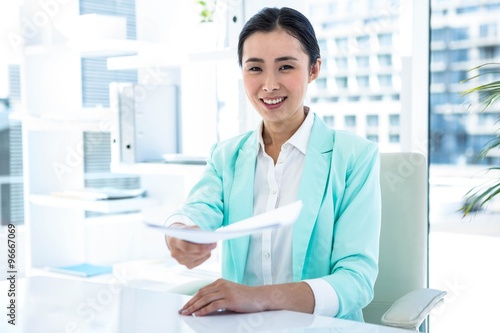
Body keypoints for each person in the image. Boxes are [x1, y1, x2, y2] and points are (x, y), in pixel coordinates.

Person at [165, 6, 381, 322]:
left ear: (313, 69)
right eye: (255, 69)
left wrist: (258, 298)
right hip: (241, 328)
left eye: (285, 67)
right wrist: (180, 232)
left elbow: (356, 281)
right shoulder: (226, 155)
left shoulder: (354, 156)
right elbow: (198, 208)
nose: (269, 85)